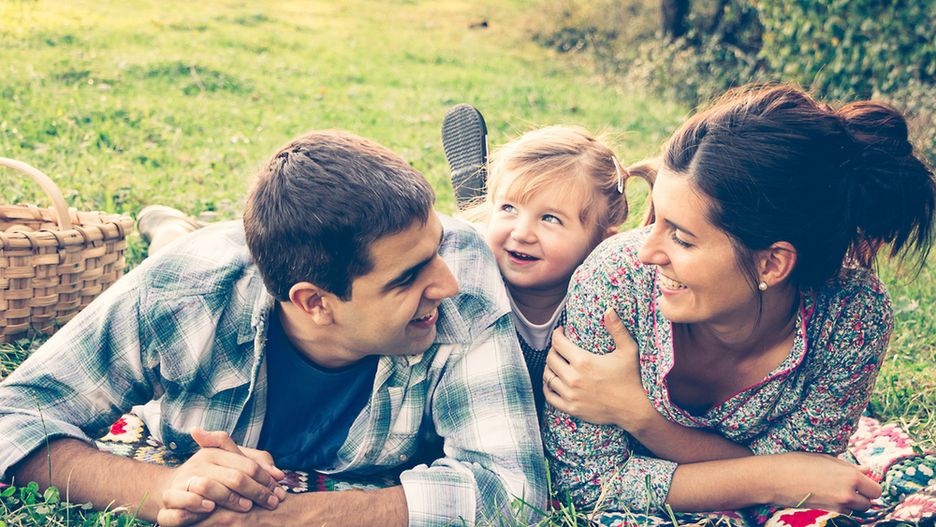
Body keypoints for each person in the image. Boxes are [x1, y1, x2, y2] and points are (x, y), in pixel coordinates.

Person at [0, 131, 546, 526]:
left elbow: (513, 487)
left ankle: (173, 225)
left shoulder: (462, 274)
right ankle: (171, 230)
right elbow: (14, 416)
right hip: (212, 268)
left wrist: (283, 518)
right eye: (406, 279)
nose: (446, 284)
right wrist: (163, 487)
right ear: (315, 303)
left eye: (436, 250)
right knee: (178, 250)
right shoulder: (181, 291)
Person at [541, 84, 935, 514]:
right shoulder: (617, 281)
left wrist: (640, 418)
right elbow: (588, 483)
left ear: (772, 264)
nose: (647, 251)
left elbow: (807, 473)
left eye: (682, 238)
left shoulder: (852, 317)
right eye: (657, 220)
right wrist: (778, 478)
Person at [459, 125, 652, 416]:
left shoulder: (605, 305)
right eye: (508, 208)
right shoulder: (474, 282)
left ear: (601, 244)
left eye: (550, 219)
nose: (522, 233)